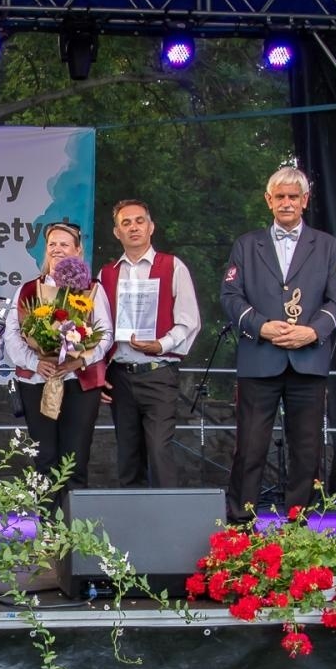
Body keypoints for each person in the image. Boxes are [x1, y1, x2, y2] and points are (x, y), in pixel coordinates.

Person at [220, 167, 336, 522]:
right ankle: (240, 526)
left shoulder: (327, 245)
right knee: (250, 447)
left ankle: (298, 525)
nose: (287, 202)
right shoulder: (246, 244)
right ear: (268, 200)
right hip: (259, 359)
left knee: (307, 450)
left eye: (294, 196)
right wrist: (262, 327)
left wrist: (313, 331)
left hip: (308, 360)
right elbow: (230, 296)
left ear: (305, 201)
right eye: (280, 196)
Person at [98, 199, 201, 488]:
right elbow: (97, 329)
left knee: (159, 451)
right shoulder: (105, 274)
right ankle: (134, 527)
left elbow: (189, 320)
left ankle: (168, 524)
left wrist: (162, 344)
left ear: (151, 226)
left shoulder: (172, 266)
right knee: (128, 457)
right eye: (125, 223)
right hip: (120, 375)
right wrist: (98, 375)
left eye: (139, 221)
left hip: (158, 371)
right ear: (117, 232)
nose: (133, 227)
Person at [4, 222, 113, 491]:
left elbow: (106, 333)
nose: (57, 249)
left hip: (79, 383)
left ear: (77, 250)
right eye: (52, 244)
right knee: (44, 458)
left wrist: (80, 360)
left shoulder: (92, 290)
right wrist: (35, 362)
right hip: (37, 383)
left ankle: (73, 531)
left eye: (64, 244)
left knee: (74, 460)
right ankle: (46, 529)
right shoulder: (28, 290)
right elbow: (12, 335)